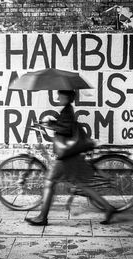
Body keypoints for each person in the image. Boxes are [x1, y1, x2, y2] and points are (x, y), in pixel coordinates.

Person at [24, 90, 117, 226]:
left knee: (50, 182)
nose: (57, 97)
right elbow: (64, 125)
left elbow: (65, 129)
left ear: (66, 97)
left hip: (66, 157)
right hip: (72, 156)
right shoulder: (67, 110)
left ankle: (42, 217)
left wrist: (50, 125)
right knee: (82, 185)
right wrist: (51, 122)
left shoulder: (67, 110)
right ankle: (108, 208)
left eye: (60, 95)